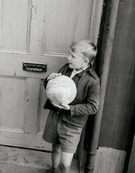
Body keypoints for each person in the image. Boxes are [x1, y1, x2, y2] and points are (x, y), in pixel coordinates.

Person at [42, 39, 100, 173]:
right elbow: (53, 90)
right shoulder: (65, 68)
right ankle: (53, 170)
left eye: (73, 56)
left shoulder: (92, 81)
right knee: (55, 148)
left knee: (66, 164)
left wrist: (71, 109)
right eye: (69, 54)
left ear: (85, 61)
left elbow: (93, 107)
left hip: (72, 125)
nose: (68, 58)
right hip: (55, 117)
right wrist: (49, 80)